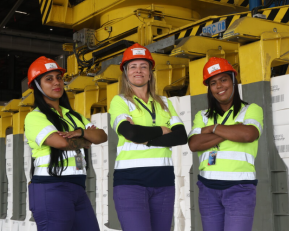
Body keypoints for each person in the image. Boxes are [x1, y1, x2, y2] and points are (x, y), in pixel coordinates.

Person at [109, 43, 187, 231]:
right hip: (130, 183)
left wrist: (144, 137)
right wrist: (162, 129)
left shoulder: (165, 103)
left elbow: (181, 137)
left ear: (150, 73)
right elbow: (130, 133)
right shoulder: (120, 101)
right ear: (126, 73)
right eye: (133, 66)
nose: (139, 71)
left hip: (164, 182)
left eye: (144, 66)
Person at [24, 56, 107, 231]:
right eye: (49, 78)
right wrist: (85, 140)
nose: (57, 83)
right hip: (51, 188)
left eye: (59, 78)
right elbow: (60, 142)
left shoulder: (74, 116)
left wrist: (82, 132)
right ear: (37, 86)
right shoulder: (36, 117)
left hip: (77, 187)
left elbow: (101, 136)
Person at [188, 57, 263, 231]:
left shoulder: (251, 110)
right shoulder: (203, 116)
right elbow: (194, 144)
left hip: (240, 189)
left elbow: (248, 134)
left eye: (223, 80)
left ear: (233, 80)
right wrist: (229, 130)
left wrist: (212, 129)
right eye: (213, 83)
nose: (219, 86)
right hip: (208, 189)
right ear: (210, 89)